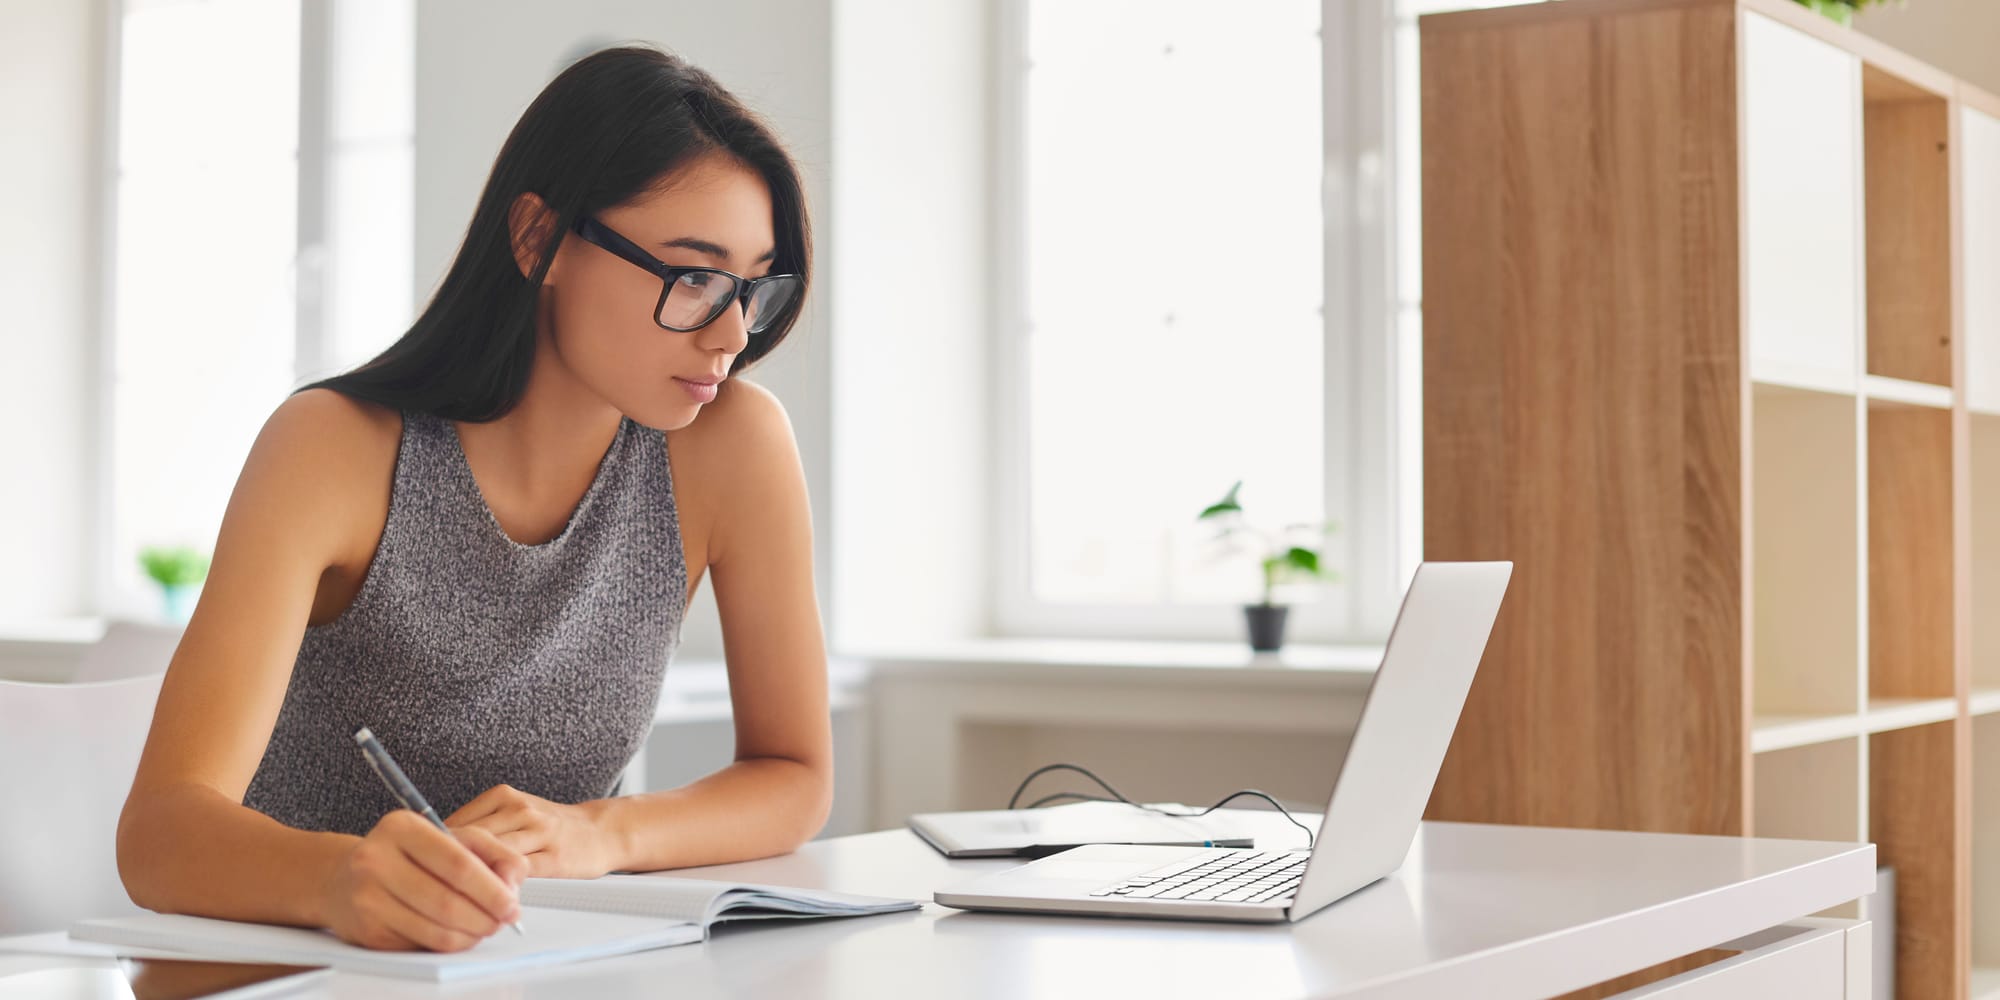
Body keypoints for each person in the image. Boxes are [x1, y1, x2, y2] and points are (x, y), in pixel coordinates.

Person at [115, 44, 831, 954]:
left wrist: (601, 833)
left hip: (525, 963)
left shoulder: (733, 445)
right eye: (692, 276)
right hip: (283, 970)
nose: (730, 333)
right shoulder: (335, 448)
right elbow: (159, 836)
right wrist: (341, 879)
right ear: (540, 239)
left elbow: (794, 774)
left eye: (751, 287)